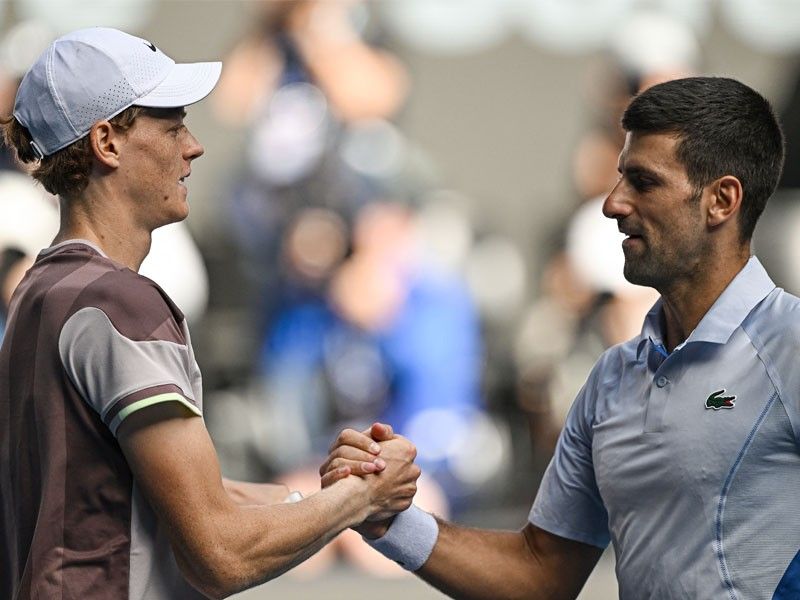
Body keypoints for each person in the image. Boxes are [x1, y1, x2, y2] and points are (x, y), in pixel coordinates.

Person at [324, 76, 800, 598]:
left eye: (643, 183)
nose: (612, 203)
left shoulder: (791, 347)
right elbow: (540, 575)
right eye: (620, 178)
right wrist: (387, 520)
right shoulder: (612, 379)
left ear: (721, 201)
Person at [0, 27, 419, 599]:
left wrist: (325, 495)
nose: (193, 146)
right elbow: (218, 553)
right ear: (107, 142)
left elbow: (165, 494)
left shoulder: (39, 292)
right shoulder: (120, 303)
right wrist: (361, 499)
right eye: (172, 126)